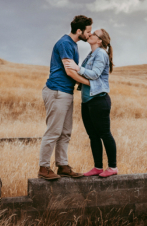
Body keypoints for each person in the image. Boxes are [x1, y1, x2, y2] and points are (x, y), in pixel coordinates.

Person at [38, 15, 92, 181]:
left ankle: (62, 165)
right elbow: (70, 71)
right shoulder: (65, 44)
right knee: (53, 131)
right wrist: (90, 83)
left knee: (65, 132)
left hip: (66, 92)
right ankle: (44, 167)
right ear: (79, 31)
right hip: (57, 91)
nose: (89, 35)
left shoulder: (72, 44)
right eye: (88, 32)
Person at [64, 28, 117, 178]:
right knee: (93, 136)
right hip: (87, 101)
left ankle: (112, 167)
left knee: (105, 134)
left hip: (99, 100)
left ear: (99, 40)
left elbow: (94, 74)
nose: (90, 34)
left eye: (94, 34)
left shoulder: (100, 53)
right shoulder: (92, 54)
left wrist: (77, 68)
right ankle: (98, 167)